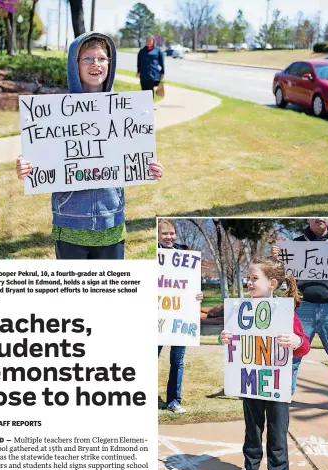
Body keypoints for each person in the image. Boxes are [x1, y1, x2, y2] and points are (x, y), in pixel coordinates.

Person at [16, 32, 163, 260]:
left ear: (110, 64)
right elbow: (42, 153)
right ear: (75, 64)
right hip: (70, 220)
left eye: (102, 59)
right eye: (87, 59)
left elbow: (134, 155)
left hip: (111, 219)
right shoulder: (55, 113)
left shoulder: (127, 110)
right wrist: (26, 167)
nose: (96, 64)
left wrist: (150, 167)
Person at [220, 256, 310, 470]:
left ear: (272, 283)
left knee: (277, 431)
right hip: (250, 382)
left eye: (254, 278)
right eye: (247, 278)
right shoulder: (238, 311)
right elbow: (229, 339)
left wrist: (297, 341)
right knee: (252, 430)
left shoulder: (284, 312)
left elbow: (304, 346)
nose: (249, 282)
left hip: (277, 384)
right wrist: (225, 338)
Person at [272, 218, 328, 416]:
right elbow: (280, 275)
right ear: (307, 218)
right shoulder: (295, 245)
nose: (320, 218)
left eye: (324, 215)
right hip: (303, 307)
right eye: (315, 215)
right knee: (293, 354)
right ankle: (283, 399)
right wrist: (277, 259)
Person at [158, 219, 203, 414]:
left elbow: (192, 284)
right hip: (158, 316)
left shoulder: (186, 255)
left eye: (172, 233)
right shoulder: (152, 256)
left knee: (177, 360)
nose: (169, 237)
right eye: (165, 233)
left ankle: (173, 401)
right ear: (157, 236)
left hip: (180, 317)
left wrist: (198, 294)